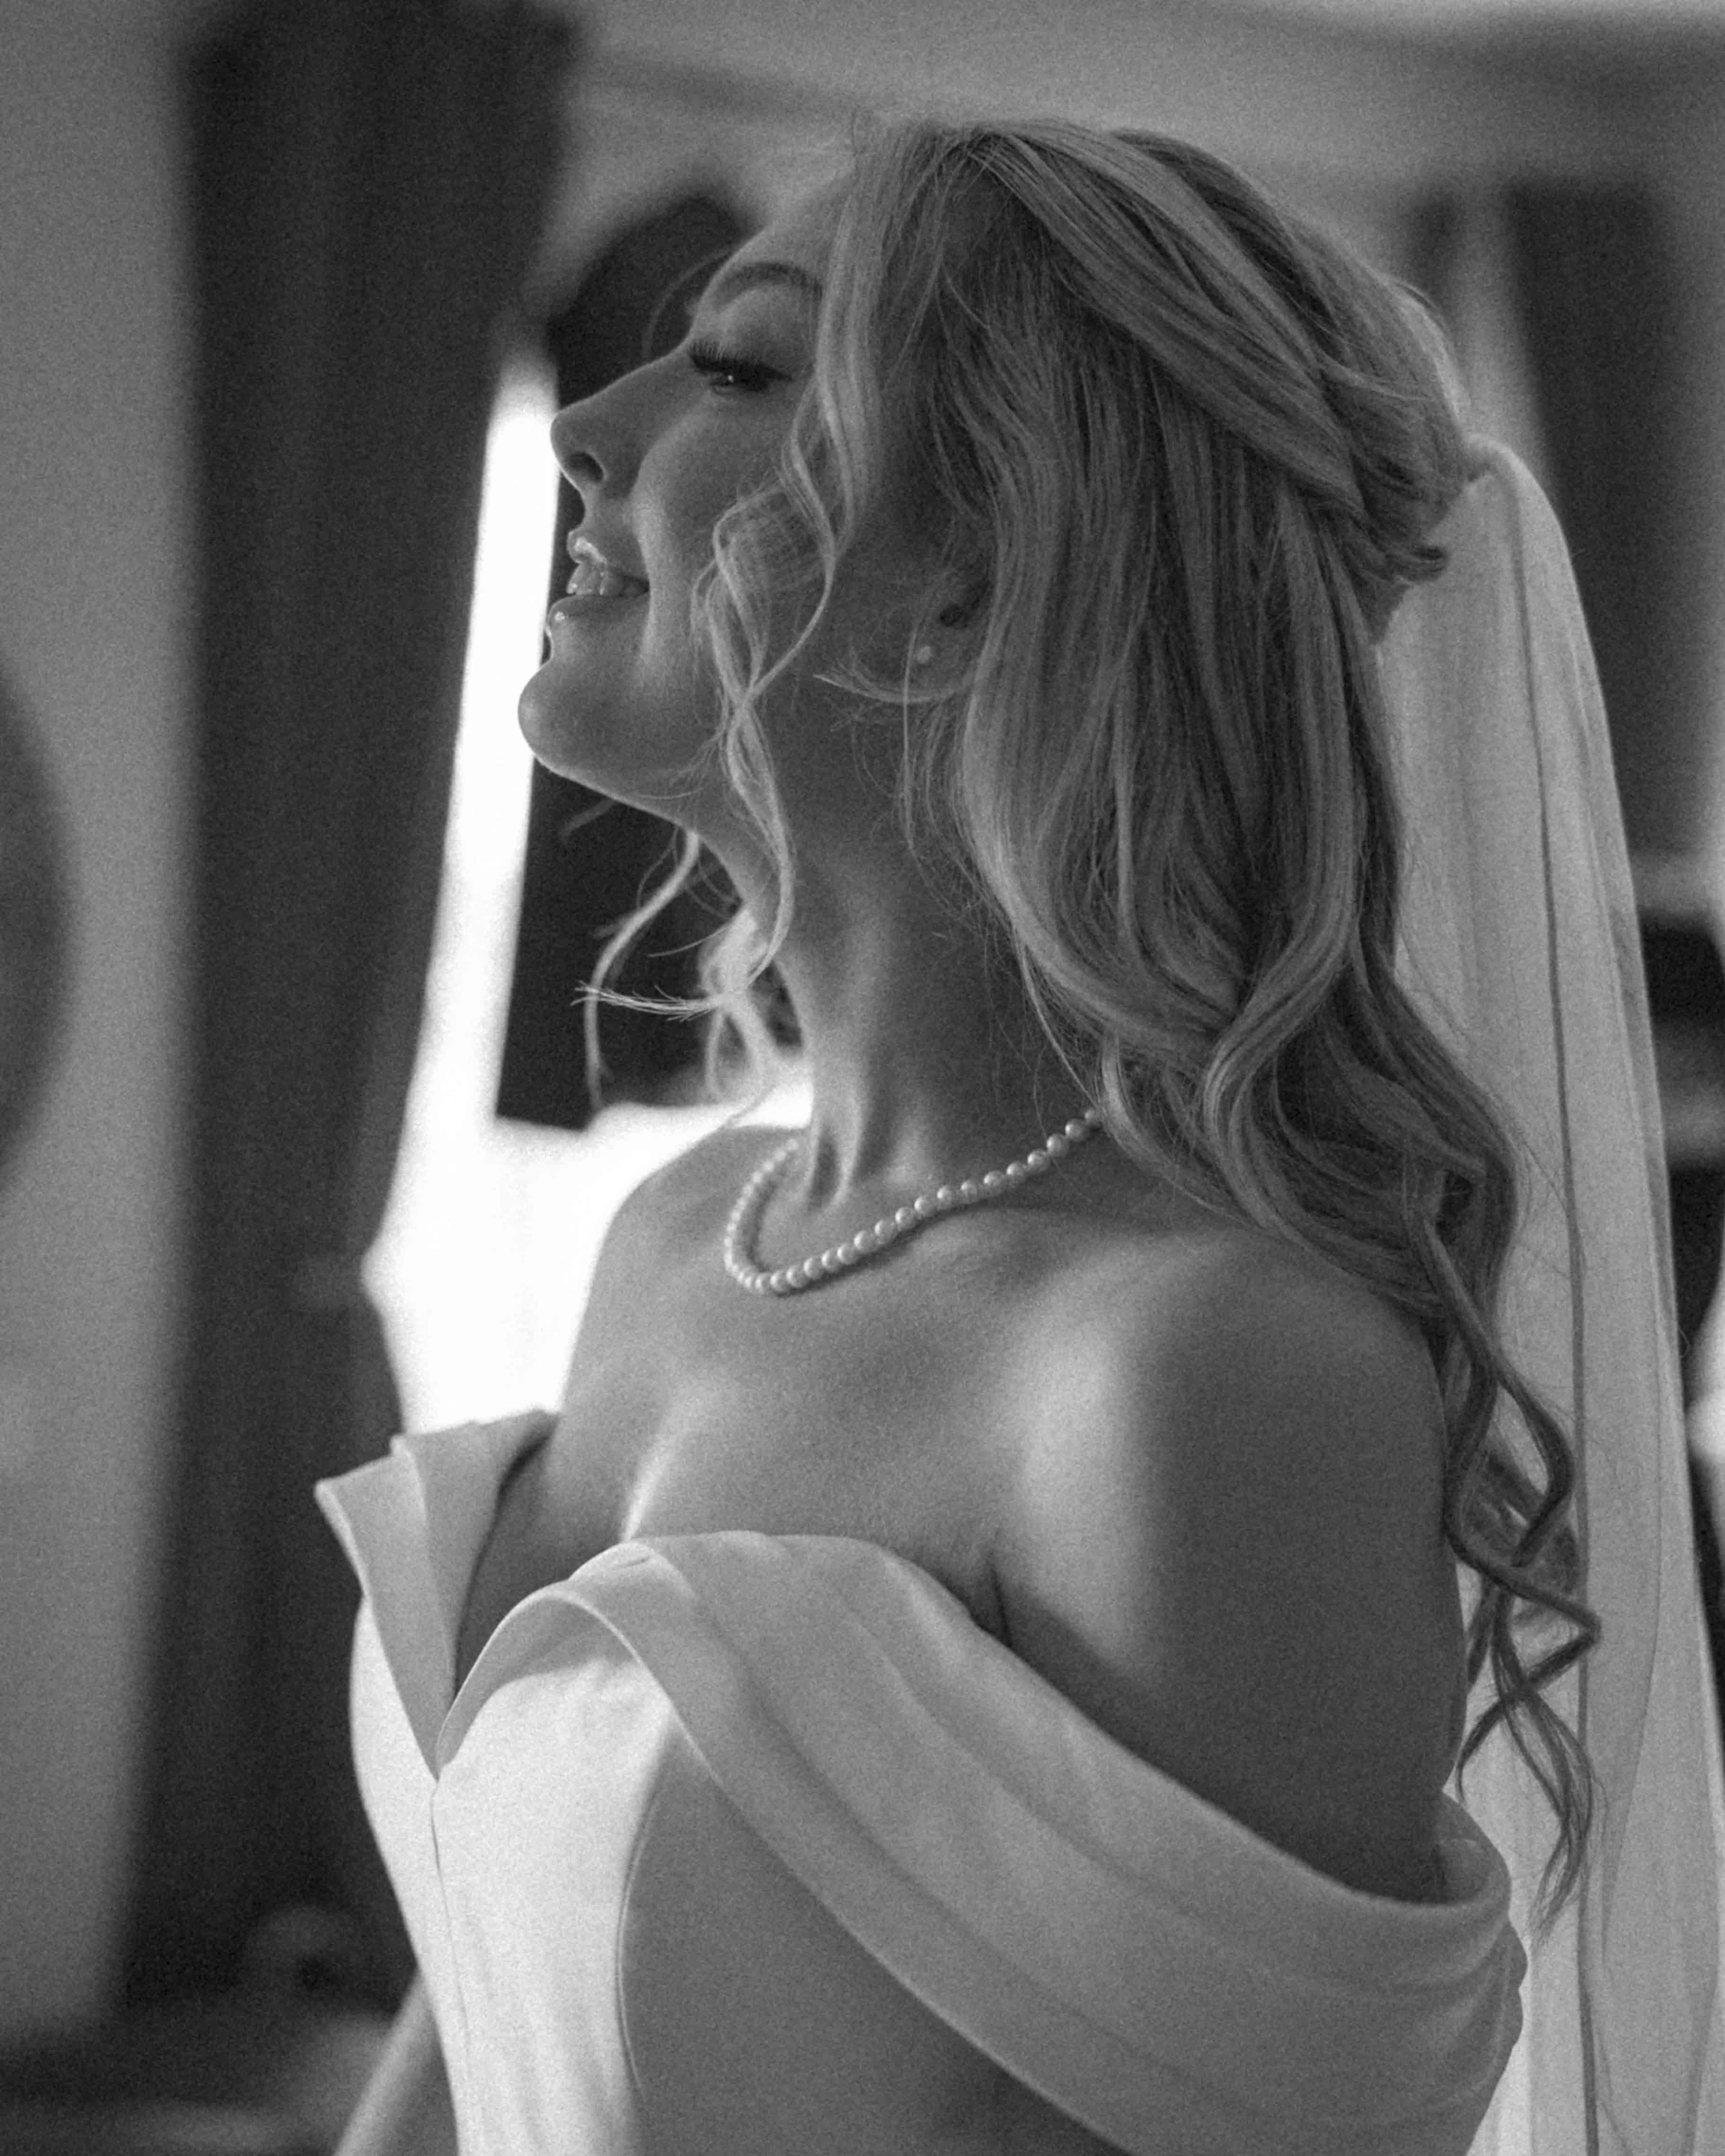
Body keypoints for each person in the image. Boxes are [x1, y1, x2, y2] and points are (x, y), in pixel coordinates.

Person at [319, 115, 1725, 2154]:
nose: (588, 428)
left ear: (968, 594)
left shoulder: (1210, 1379)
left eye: (733, 369)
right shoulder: (684, 1234)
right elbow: (472, 2014)